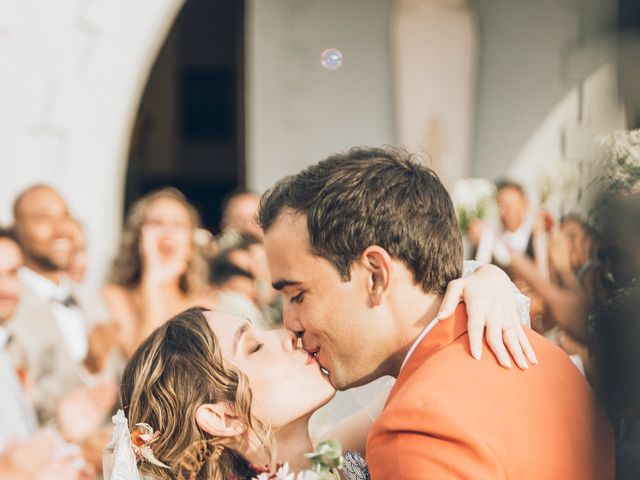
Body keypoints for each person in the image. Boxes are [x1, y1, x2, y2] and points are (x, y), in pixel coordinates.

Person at [257, 147, 614, 479]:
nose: (290, 324)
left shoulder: (419, 430)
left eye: (298, 294)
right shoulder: (549, 360)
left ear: (376, 276)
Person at [120, 264, 532, 480]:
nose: (286, 335)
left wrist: (487, 280)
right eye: (254, 346)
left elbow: (438, 359)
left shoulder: (341, 450)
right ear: (222, 416)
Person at [0, 227, 109, 479]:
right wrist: (62, 433)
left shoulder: (6, 349)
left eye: (12, 273)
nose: (5, 288)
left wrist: (67, 438)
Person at [7, 184, 116, 423]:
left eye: (65, 215)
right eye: (43, 218)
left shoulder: (91, 300)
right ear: (17, 230)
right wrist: (87, 368)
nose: (61, 229)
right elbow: (18, 401)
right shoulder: (9, 304)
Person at [103, 188, 213, 358]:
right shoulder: (115, 296)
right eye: (156, 223)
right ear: (138, 238)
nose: (167, 232)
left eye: (178, 225)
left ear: (191, 244)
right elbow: (142, 365)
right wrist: (152, 284)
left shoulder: (207, 305)